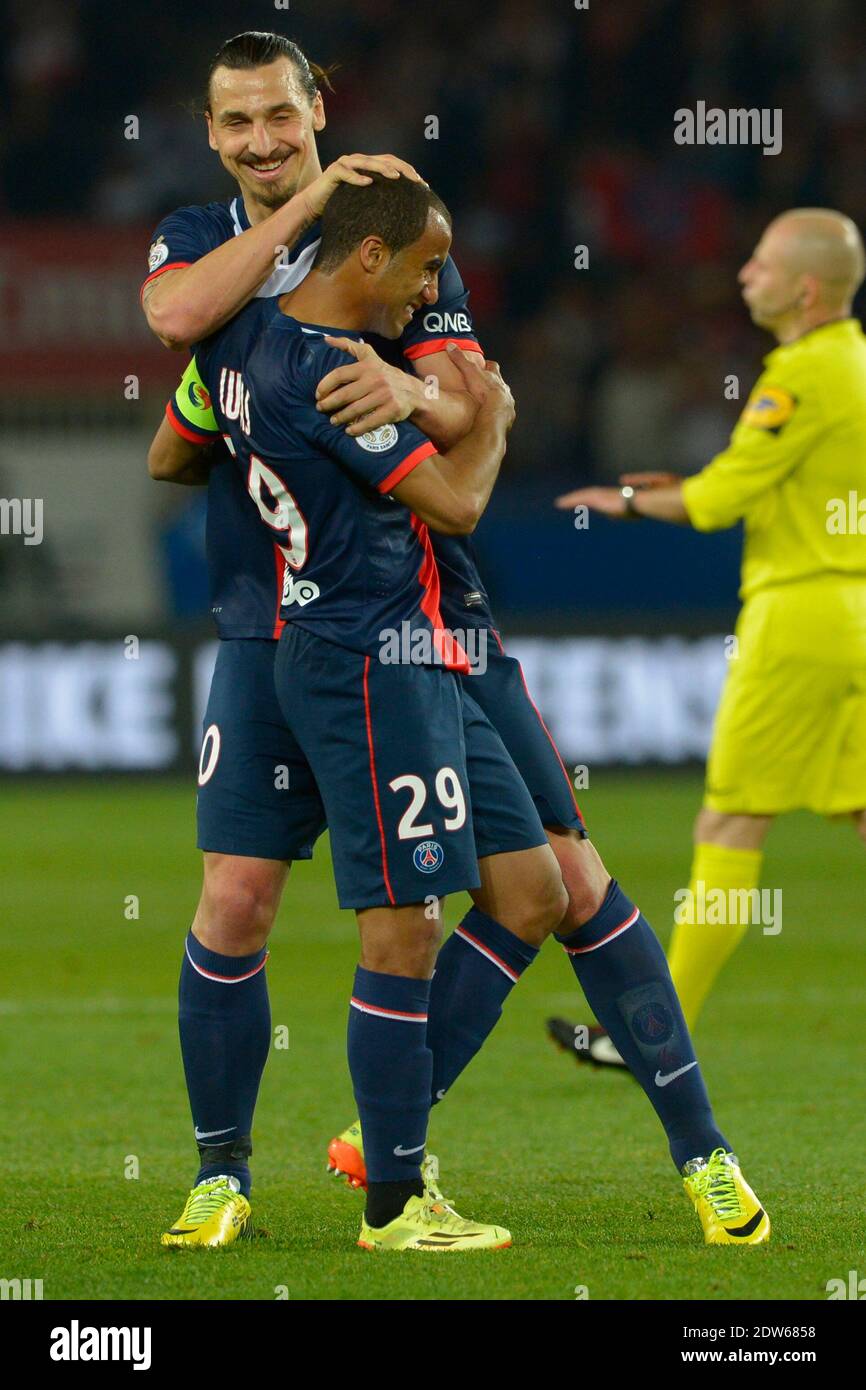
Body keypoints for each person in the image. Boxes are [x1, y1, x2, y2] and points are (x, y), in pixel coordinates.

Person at [153, 161, 769, 1250]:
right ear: (374, 255)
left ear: (318, 130)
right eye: (428, 269)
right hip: (363, 645)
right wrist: (487, 415)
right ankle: (373, 1185)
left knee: (546, 881)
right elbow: (464, 488)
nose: (436, 288)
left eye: (283, 118)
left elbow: (431, 381)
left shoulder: (260, 331)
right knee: (375, 917)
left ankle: (691, 1152)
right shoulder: (307, 347)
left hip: (430, 631)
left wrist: (430, 397)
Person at [553, 208, 866, 1072]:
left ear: (805, 288)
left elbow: (719, 503)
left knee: (729, 823)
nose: (743, 275)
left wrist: (619, 500)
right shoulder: (855, 362)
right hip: (857, 611)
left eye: (760, 263)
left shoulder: (800, 374)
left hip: (798, 619)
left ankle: (650, 1032)